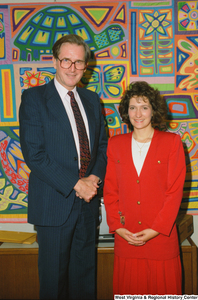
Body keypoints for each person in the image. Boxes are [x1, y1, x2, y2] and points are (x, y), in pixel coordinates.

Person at [19, 34, 107, 300]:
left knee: (85, 280)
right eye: (66, 60)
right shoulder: (34, 98)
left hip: (87, 205)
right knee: (54, 283)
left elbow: (102, 146)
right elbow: (34, 154)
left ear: (85, 66)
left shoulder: (92, 99)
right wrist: (76, 183)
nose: (72, 68)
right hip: (54, 205)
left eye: (79, 62)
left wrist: (93, 178)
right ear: (55, 62)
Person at [103, 81, 186, 295]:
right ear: (126, 112)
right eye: (132, 107)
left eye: (144, 106)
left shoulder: (172, 142)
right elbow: (110, 190)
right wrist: (118, 228)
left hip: (161, 241)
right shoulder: (115, 144)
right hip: (126, 238)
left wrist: (155, 230)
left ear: (153, 110)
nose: (138, 113)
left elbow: (174, 192)